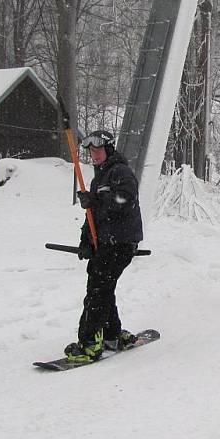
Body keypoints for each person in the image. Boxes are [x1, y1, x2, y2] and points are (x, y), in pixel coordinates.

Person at [64, 130, 144, 363]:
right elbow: (93, 216)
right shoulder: (100, 177)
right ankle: (110, 334)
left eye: (98, 150)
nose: (94, 154)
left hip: (121, 242)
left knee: (97, 289)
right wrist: (85, 242)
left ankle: (89, 343)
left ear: (108, 149)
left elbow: (125, 201)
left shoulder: (121, 172)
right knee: (102, 287)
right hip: (107, 243)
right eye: (90, 151)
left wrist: (96, 199)